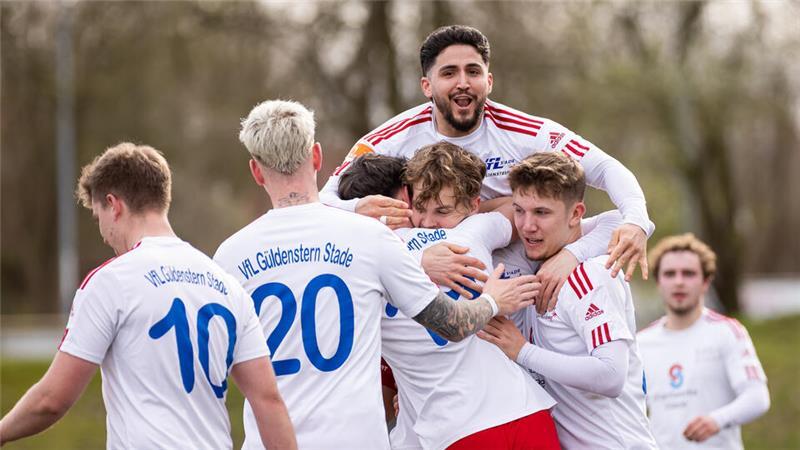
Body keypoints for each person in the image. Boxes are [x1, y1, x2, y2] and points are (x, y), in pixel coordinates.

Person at [213, 100, 541, 450]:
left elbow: (216, 369)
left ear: (256, 171)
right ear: (317, 157)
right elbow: (452, 325)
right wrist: (492, 301)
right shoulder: (368, 238)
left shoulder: (228, 256)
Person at [320, 24, 655, 303]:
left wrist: (633, 223)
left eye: (473, 71)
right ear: (427, 86)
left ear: (489, 82)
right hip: (431, 289)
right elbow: (322, 199)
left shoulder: (525, 131)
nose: (463, 82)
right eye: (449, 73)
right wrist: (356, 210)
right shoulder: (391, 137)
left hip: (515, 282)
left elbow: (607, 169)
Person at [0, 143, 297, 449]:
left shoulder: (112, 282)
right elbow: (269, 401)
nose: (103, 233)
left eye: (98, 215)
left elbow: (52, 400)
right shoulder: (228, 286)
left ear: (114, 205)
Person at [340, 143, 560, 450]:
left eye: (442, 211)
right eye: (422, 208)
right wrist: (471, 212)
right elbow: (516, 209)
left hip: (457, 428)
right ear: (405, 198)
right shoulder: (473, 230)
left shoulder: (359, 260)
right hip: (524, 411)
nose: (429, 221)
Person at [480, 152, 658, 449]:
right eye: (519, 211)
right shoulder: (536, 264)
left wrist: (521, 351)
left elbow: (611, 376)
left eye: (541, 213)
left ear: (576, 214)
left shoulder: (591, 275)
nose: (526, 226)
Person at [638, 234, 770, 449]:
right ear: (658, 281)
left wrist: (716, 420)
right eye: (670, 274)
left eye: (688, 274)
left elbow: (757, 397)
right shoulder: (641, 342)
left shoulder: (727, 331)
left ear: (706, 282)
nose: (679, 281)